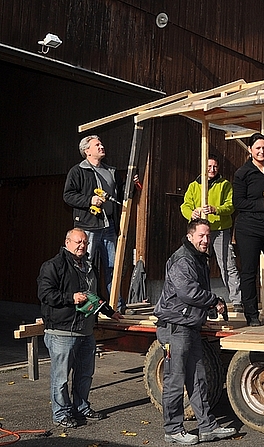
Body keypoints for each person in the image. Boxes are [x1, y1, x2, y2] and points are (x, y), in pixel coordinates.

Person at [153, 219, 236, 445]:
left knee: (198, 379)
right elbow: (188, 292)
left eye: (208, 236)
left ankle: (207, 426)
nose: (205, 240)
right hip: (174, 327)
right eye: (201, 236)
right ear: (190, 236)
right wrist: (214, 300)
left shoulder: (198, 258)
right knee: (174, 380)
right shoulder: (183, 259)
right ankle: (172, 429)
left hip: (189, 325)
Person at [37, 228, 122, 428]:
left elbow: (95, 294)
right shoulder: (53, 266)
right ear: (67, 242)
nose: (82, 246)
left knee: (85, 375)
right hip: (62, 331)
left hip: (86, 330)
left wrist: (110, 312)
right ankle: (61, 414)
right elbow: (45, 293)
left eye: (84, 242)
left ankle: (81, 408)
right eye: (78, 242)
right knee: (61, 378)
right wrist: (70, 298)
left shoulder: (88, 266)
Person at [63, 135, 122, 308]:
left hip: (108, 225)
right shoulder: (78, 171)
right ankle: (86, 304)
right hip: (87, 226)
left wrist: (132, 185)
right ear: (86, 151)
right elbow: (68, 195)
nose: (102, 146)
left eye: (101, 143)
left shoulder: (110, 171)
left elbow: (120, 193)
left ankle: (116, 306)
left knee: (113, 266)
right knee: (84, 265)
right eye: (97, 145)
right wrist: (90, 200)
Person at [180, 153, 242, 312]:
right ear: (203, 168)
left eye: (215, 166)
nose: (212, 169)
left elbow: (231, 205)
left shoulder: (224, 184)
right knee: (199, 266)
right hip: (200, 232)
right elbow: (185, 206)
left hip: (220, 230)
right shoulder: (194, 185)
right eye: (209, 167)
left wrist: (217, 210)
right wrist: (191, 214)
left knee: (228, 265)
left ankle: (237, 301)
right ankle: (203, 300)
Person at [232, 134, 264, 326]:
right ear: (250, 150)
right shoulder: (242, 173)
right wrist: (263, 203)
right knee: (249, 272)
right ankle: (251, 314)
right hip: (249, 228)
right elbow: (238, 203)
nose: (262, 151)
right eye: (257, 148)